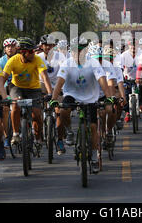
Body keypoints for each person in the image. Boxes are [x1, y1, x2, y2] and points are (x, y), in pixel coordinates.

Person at [49, 37, 114, 173]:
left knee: (92, 126)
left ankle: (95, 157)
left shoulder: (94, 63)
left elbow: (102, 81)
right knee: (64, 110)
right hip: (71, 94)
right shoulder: (67, 63)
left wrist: (109, 99)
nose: (77, 54)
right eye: (74, 51)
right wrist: (54, 99)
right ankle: (69, 131)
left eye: (80, 51)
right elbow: (60, 83)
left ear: (85, 51)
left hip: (90, 98)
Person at [3, 37, 53, 153]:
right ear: (23, 52)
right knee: (15, 105)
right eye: (31, 51)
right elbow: (3, 78)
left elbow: (45, 77)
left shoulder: (37, 60)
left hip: (33, 89)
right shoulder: (13, 60)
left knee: (36, 113)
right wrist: (1, 95)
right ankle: (15, 134)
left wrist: (50, 93)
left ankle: (38, 138)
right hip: (16, 87)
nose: (34, 54)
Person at [120, 39, 139, 123]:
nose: (133, 47)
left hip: (138, 79)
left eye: (135, 45)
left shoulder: (141, 54)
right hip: (127, 79)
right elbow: (120, 68)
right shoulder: (124, 55)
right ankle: (127, 112)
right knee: (126, 95)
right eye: (132, 45)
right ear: (129, 46)